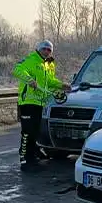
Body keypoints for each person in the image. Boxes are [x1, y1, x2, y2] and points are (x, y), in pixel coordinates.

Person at [12, 40, 69, 172]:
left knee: (35, 132)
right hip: (27, 102)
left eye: (49, 50)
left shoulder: (49, 64)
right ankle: (24, 158)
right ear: (39, 49)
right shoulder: (31, 60)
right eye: (44, 49)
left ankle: (33, 155)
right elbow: (17, 70)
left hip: (40, 103)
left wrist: (61, 85)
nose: (47, 52)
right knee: (27, 132)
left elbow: (50, 81)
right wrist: (29, 80)